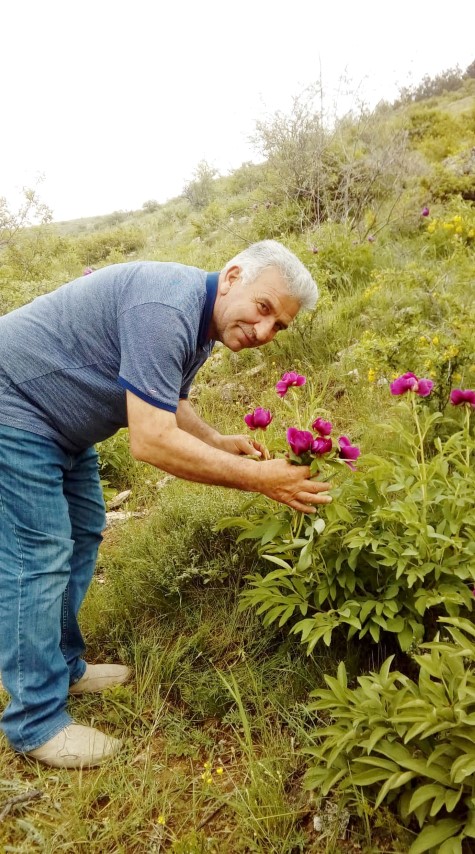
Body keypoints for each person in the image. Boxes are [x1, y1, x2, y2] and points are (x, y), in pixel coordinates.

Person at [0, 239, 331, 769]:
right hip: (14, 406)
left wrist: (217, 441)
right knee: (37, 555)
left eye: (279, 327)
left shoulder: (201, 320)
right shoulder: (165, 307)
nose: (265, 332)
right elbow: (150, 439)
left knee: (83, 531)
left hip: (60, 425)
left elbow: (169, 401)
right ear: (232, 276)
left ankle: (63, 664)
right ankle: (35, 721)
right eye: (263, 308)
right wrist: (258, 478)